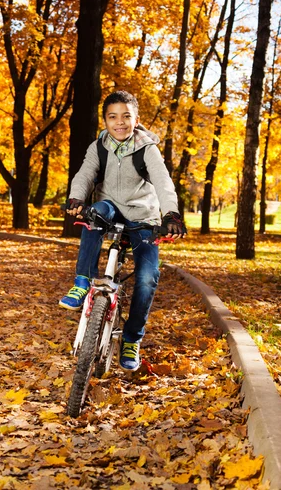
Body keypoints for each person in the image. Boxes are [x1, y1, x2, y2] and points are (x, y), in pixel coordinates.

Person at [59, 90, 186, 371]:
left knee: (146, 278)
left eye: (126, 116)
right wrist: (77, 197)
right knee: (96, 212)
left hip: (143, 219)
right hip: (111, 210)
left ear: (136, 119)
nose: (120, 122)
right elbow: (85, 174)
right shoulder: (99, 147)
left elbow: (164, 183)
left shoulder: (147, 148)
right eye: (112, 117)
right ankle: (82, 281)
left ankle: (131, 339)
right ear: (104, 121)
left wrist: (171, 215)